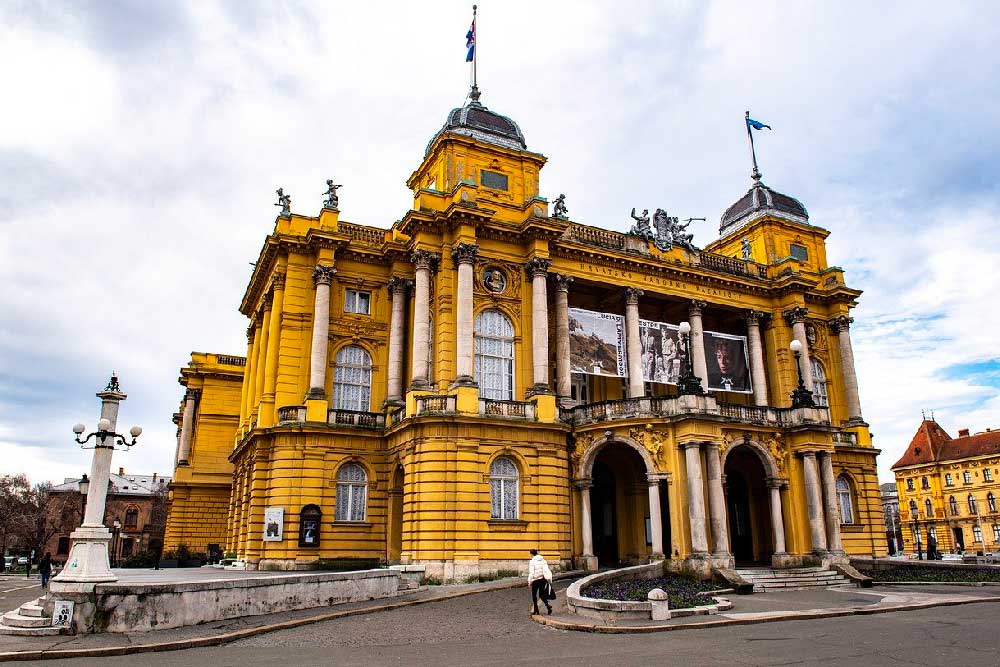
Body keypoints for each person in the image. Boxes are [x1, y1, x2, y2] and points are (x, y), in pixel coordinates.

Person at [527, 549, 553, 615]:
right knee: (541, 595)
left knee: (534, 595)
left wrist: (529, 581)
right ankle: (547, 606)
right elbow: (546, 570)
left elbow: (531, 573)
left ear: (531, 554)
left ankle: (536, 610)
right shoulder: (543, 560)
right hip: (542, 580)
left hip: (535, 580)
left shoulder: (532, 561)